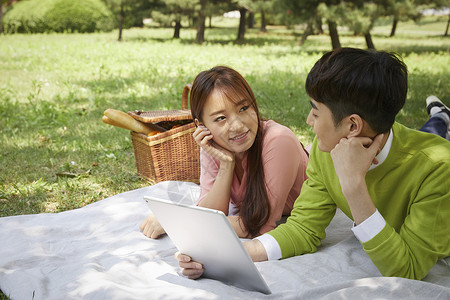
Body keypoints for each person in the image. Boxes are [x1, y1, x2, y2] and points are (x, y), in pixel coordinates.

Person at [176, 48, 450, 280]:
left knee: (429, 140)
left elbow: (407, 270)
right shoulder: (325, 150)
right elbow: (304, 229)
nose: (308, 120)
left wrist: (355, 188)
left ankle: (441, 119)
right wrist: (228, 256)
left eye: (316, 112)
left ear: (352, 125)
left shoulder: (439, 168)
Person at [140, 66, 309, 239]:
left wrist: (176, 222)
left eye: (243, 108)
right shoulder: (213, 142)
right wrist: (227, 165)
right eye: (221, 118)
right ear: (201, 125)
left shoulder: (279, 140)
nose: (237, 126)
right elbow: (213, 212)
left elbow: (257, 224)